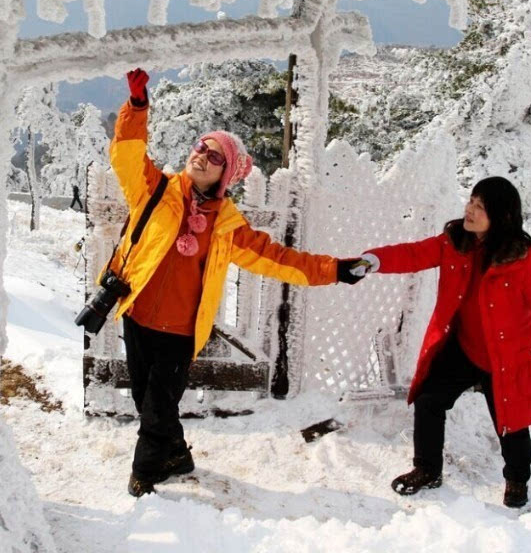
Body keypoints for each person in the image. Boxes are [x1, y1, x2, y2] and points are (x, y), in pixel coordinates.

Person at [108, 68, 366, 497]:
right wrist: (137, 107)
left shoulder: (227, 226)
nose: (202, 157)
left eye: (214, 157)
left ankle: (146, 475)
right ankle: (178, 455)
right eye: (200, 147)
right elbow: (126, 154)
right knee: (148, 403)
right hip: (136, 317)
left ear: (224, 175)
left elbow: (280, 260)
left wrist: (335, 269)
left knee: (155, 409)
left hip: (179, 334)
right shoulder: (154, 190)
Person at [347, 177, 531, 508]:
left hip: (508, 357)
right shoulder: (455, 241)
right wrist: (374, 260)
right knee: (429, 400)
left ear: (502, 217)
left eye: (480, 207)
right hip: (464, 348)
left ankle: (517, 482)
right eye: (471, 201)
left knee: (511, 424)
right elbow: (414, 254)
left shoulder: (522, 260)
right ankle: (427, 469)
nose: (470, 210)